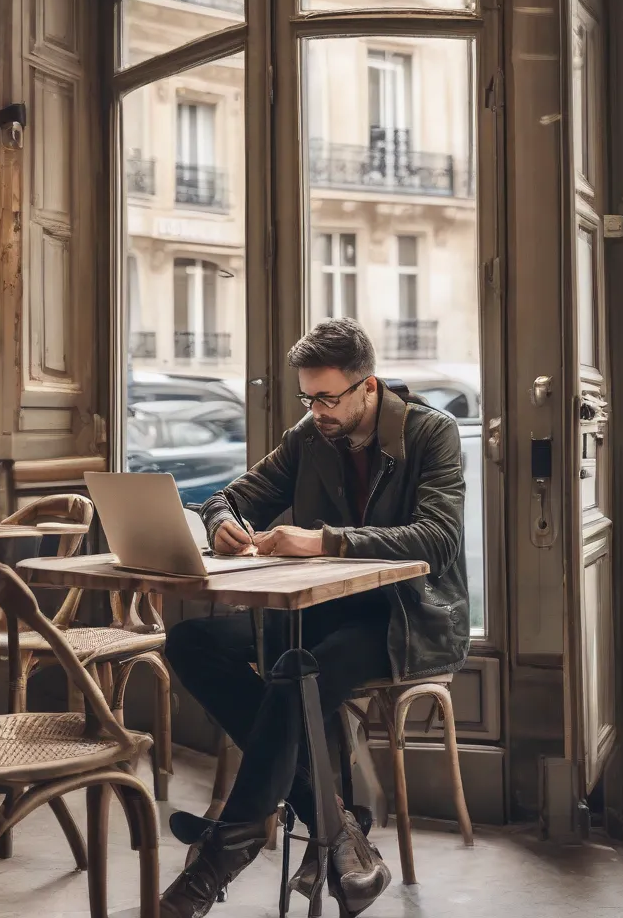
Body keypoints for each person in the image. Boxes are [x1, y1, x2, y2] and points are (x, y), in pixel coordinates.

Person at [160, 318, 470, 918]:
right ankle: (339, 823)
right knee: (190, 640)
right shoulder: (312, 433)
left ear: (368, 387)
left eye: (328, 397)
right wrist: (220, 521)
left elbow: (437, 540)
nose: (317, 410)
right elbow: (232, 494)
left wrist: (325, 541)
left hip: (404, 620)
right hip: (323, 610)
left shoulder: (433, 433)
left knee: (298, 670)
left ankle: (225, 849)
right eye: (308, 397)